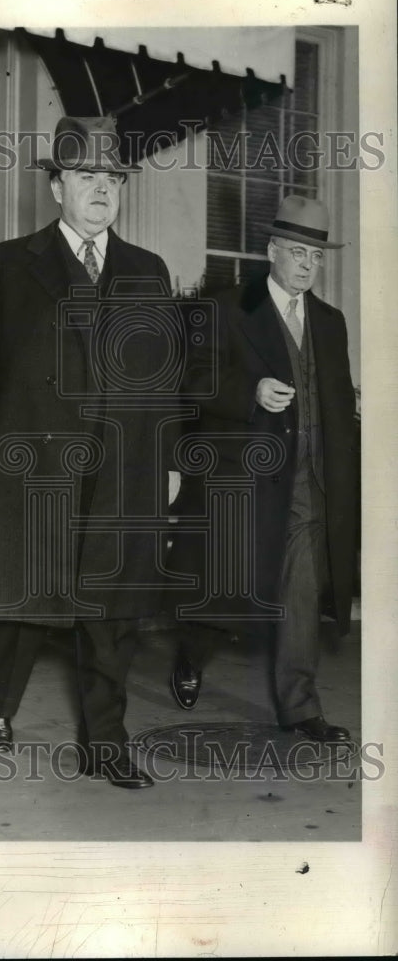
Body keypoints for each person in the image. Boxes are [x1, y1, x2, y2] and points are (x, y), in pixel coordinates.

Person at [0, 115, 181, 789]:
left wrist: (165, 462)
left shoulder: (147, 270)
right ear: (56, 187)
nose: (101, 189)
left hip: (120, 468)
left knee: (111, 612)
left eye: (111, 179)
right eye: (85, 177)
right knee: (21, 600)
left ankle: (105, 743)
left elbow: (163, 375)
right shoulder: (9, 264)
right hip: (33, 461)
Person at [167, 195, 357, 743]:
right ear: (272, 250)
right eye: (297, 252)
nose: (306, 264)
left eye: (315, 257)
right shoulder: (228, 308)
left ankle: (300, 707)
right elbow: (194, 384)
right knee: (226, 588)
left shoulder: (330, 321)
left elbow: (338, 403)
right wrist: (249, 392)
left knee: (301, 589)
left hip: (308, 480)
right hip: (244, 480)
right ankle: (191, 653)